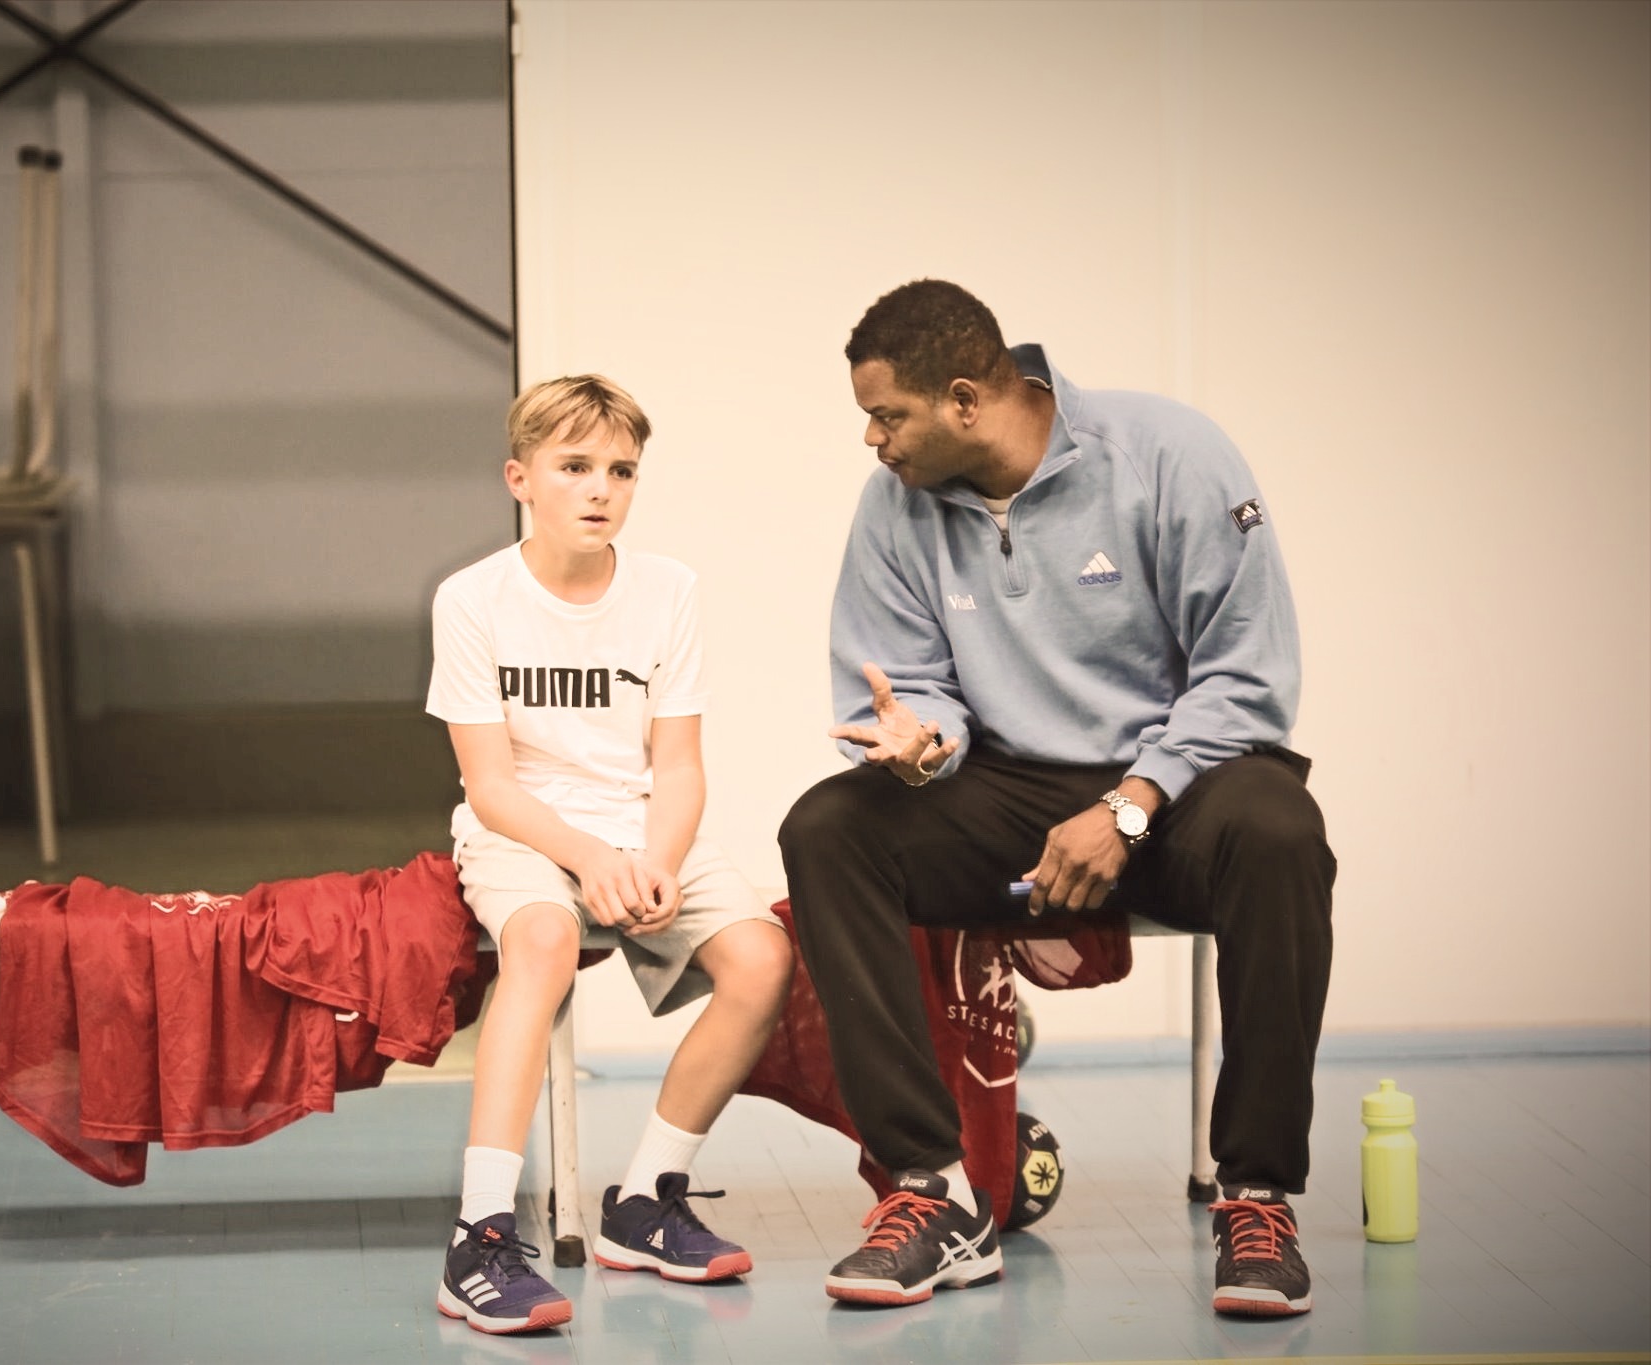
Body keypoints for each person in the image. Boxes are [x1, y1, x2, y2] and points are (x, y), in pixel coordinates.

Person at [779, 280, 1335, 1317]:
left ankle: (1256, 1198)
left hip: (1180, 782)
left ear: (962, 400)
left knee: (1279, 829)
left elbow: (1248, 677)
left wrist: (1130, 806)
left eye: (886, 415)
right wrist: (923, 746)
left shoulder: (1167, 454)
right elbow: (910, 685)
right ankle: (931, 1189)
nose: (871, 439)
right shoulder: (892, 506)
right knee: (829, 829)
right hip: (1006, 783)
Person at [426, 375, 794, 1334]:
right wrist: (591, 859)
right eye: (575, 466)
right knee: (544, 941)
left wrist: (658, 859)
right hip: (522, 830)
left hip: (639, 824)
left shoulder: (669, 589)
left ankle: (644, 1202)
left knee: (762, 957)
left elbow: (679, 765)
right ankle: (479, 1235)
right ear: (520, 478)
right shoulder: (471, 598)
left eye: (622, 471)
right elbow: (490, 786)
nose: (600, 488)